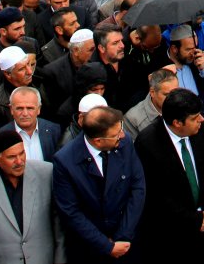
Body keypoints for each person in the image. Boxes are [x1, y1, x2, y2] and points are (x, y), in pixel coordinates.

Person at [134, 89, 204, 262]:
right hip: (173, 234)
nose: (201, 119)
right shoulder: (147, 143)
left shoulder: (202, 129)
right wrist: (193, 218)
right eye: (194, 118)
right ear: (177, 122)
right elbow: (156, 195)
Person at [52, 106, 145, 263]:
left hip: (126, 241)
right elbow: (71, 212)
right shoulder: (65, 161)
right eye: (115, 135)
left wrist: (123, 236)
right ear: (98, 141)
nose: (122, 135)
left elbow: (137, 187)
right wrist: (106, 245)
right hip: (90, 248)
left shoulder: (125, 142)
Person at [0, 130, 65, 264]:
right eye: (12, 157)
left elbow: (59, 227)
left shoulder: (47, 173)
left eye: (22, 153)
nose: (19, 161)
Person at [2, 86, 62, 162]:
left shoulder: (53, 130)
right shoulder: (3, 135)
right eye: (19, 108)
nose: (25, 113)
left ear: (39, 109)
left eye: (30, 108)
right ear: (11, 109)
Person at [122, 69, 177, 139]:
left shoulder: (184, 106)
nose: (173, 98)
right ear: (152, 92)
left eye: (176, 92)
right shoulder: (133, 119)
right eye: (167, 94)